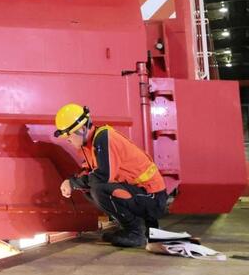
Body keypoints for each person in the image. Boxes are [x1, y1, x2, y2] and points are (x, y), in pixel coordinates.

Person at [53, 103, 168, 248]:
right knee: (88, 188)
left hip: (152, 197)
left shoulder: (103, 138)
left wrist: (73, 183)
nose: (67, 140)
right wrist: (72, 182)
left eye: (68, 136)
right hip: (140, 194)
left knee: (99, 189)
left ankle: (135, 232)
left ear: (82, 129)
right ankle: (134, 228)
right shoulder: (87, 145)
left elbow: (103, 176)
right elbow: (88, 172)